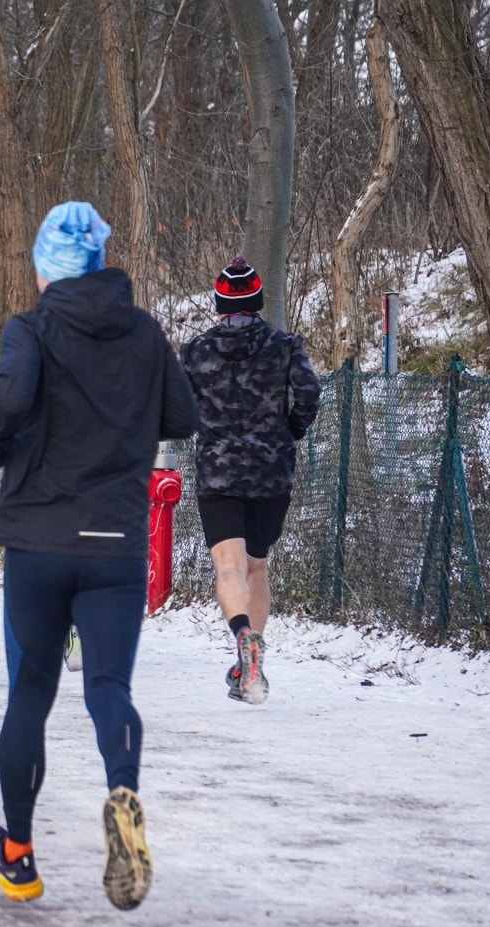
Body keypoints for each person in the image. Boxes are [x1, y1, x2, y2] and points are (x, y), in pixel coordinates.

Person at [0, 202, 196, 910]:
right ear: (101, 263)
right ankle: (123, 790)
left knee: (30, 696)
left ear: (45, 269)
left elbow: (3, 408)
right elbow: (184, 417)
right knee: (108, 688)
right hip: (116, 544)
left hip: (40, 541)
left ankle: (19, 855)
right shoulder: (144, 333)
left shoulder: (31, 330)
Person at [180, 256, 321, 706]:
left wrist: (201, 429)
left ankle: (241, 637)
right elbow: (310, 393)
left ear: (220, 303)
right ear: (258, 300)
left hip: (219, 472)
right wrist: (292, 428)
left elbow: (177, 410)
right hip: (271, 472)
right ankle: (253, 658)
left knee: (229, 567)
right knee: (257, 564)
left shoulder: (196, 351)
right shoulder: (285, 345)